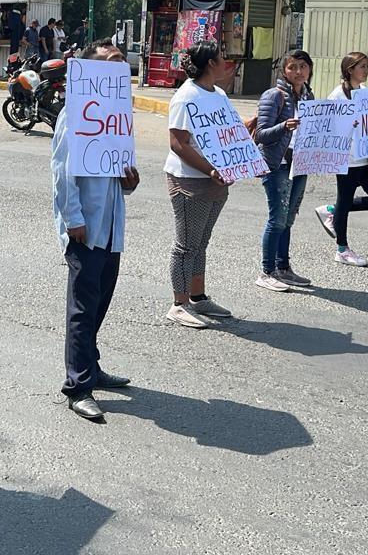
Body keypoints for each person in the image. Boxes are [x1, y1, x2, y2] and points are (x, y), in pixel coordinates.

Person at [52, 38, 141, 420]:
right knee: (83, 307)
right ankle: (78, 385)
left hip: (111, 226)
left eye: (122, 61)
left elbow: (121, 175)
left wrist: (130, 181)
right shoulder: (77, 113)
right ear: (90, 71)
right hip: (86, 227)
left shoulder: (117, 115)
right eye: (111, 62)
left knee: (100, 300)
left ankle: (92, 367)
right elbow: (62, 171)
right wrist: (73, 219)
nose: (119, 67)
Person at [163, 41, 234, 328]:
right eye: (221, 57)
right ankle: (178, 304)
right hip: (189, 181)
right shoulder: (186, 97)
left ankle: (198, 296)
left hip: (215, 180)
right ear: (210, 64)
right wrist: (209, 169)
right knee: (186, 245)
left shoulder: (218, 94)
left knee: (201, 243)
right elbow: (178, 143)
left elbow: (227, 132)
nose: (225, 60)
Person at [313, 52, 368, 267]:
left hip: (367, 157)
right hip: (347, 159)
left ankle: (330, 210)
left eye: (367, 66)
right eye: (362, 66)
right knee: (345, 203)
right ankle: (342, 249)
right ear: (350, 70)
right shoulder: (337, 96)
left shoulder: (364, 92)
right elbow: (327, 126)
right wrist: (348, 124)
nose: (366, 70)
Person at [253, 49, 314, 292]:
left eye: (303, 66)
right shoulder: (274, 96)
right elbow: (261, 134)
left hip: (300, 164)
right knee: (277, 219)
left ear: (310, 69)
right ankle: (267, 271)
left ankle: (284, 268)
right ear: (284, 71)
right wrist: (283, 126)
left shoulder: (309, 97)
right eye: (293, 67)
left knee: (288, 220)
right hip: (277, 164)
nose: (298, 72)